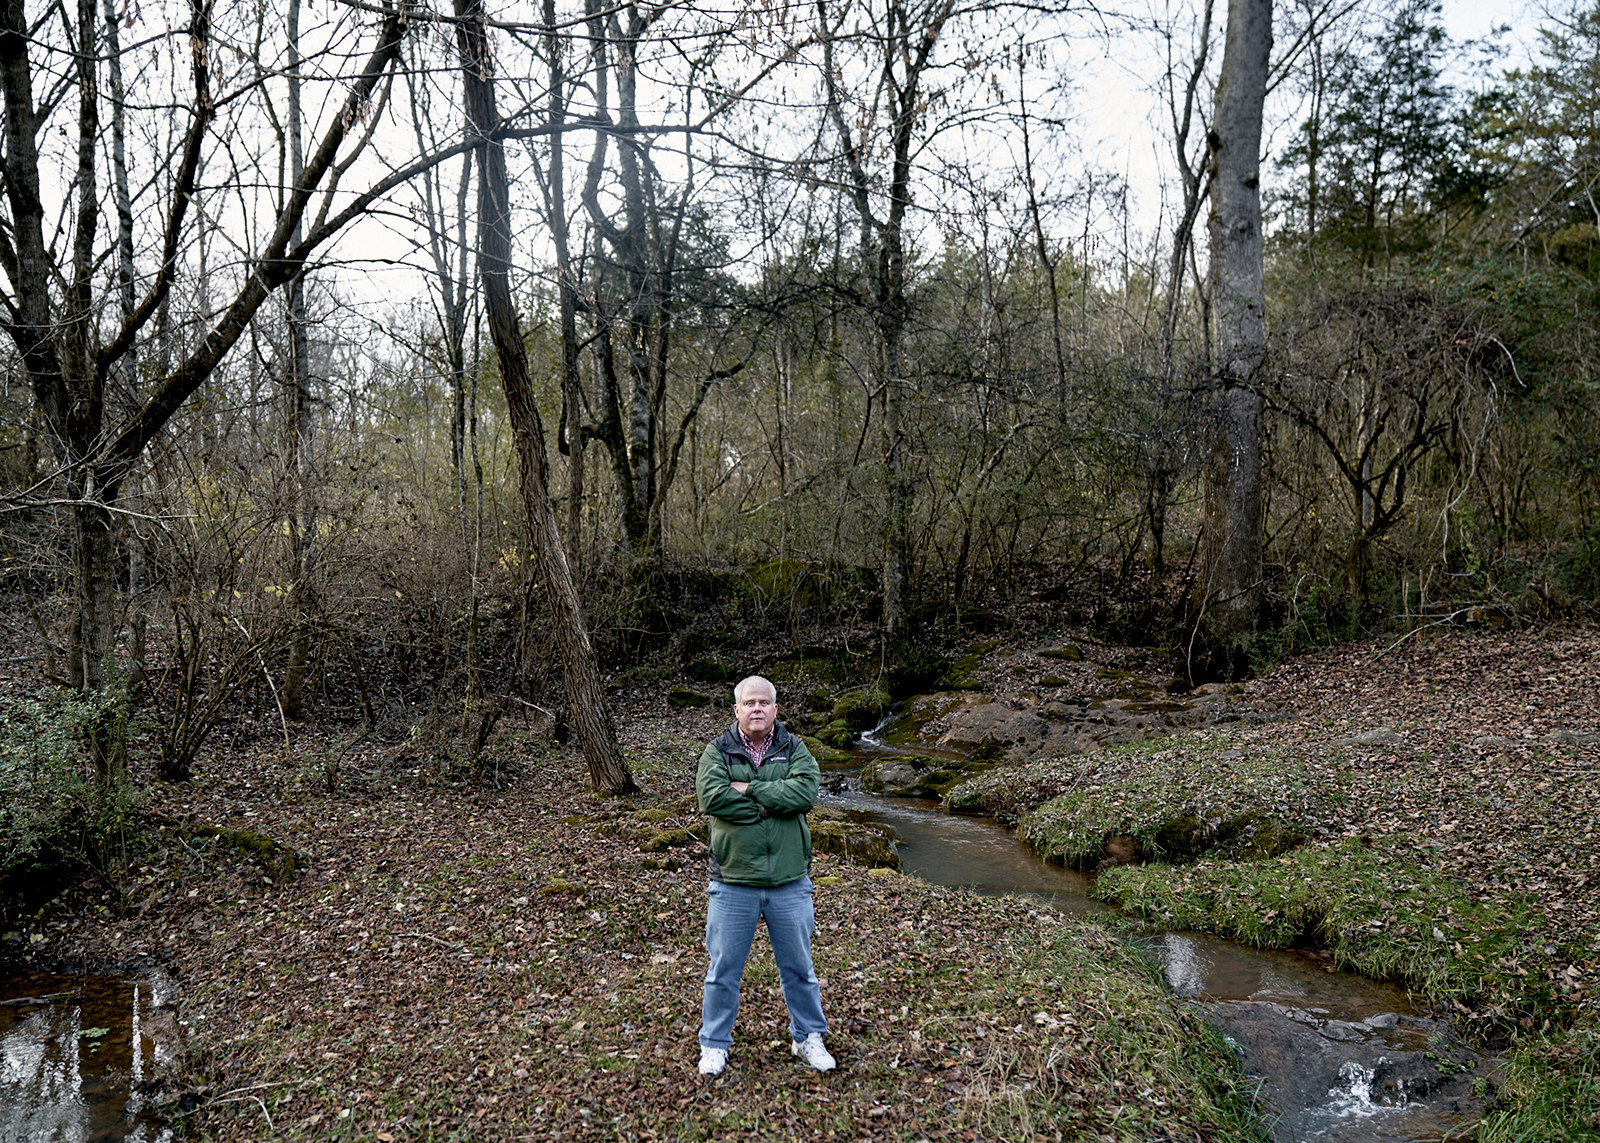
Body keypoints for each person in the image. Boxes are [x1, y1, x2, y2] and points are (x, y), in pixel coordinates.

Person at [694, 675, 835, 1076]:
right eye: (749, 702)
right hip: (733, 881)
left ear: (775, 709)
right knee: (723, 971)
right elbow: (713, 798)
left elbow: (805, 794)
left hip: (789, 881)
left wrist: (749, 789)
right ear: (736, 709)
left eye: (764, 702)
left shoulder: (795, 748)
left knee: (799, 969)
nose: (757, 708)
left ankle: (808, 1037)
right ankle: (714, 1044)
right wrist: (773, 800)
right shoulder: (716, 751)